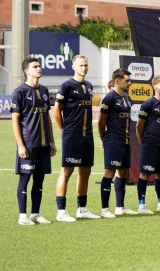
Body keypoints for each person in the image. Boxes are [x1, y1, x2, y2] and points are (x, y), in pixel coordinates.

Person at [52, 55, 100, 222]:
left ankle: (82, 209)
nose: (84, 68)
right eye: (80, 65)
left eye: (86, 65)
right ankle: (61, 211)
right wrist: (64, 130)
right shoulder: (66, 86)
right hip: (72, 135)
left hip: (87, 135)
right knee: (67, 171)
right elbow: (56, 110)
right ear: (73, 66)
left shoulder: (89, 85)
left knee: (85, 171)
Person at [11, 57, 56, 225]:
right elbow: (15, 120)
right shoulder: (20, 92)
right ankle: (22, 216)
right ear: (27, 71)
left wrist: (52, 141)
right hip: (28, 144)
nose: (39, 68)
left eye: (39, 66)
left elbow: (48, 118)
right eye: (35, 66)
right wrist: (21, 145)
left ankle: (35, 214)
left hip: (43, 144)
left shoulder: (44, 90)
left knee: (39, 180)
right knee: (25, 178)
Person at [98, 68, 137, 217]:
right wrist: (104, 140)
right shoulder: (109, 98)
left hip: (125, 141)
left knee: (123, 172)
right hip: (113, 141)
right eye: (127, 80)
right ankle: (104, 209)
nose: (130, 83)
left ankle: (120, 207)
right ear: (117, 81)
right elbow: (101, 123)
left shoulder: (127, 98)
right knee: (109, 172)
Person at [135, 75, 160, 214]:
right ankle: (142, 206)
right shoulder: (148, 104)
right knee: (145, 174)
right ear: (156, 88)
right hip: (150, 145)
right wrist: (144, 143)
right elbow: (139, 126)